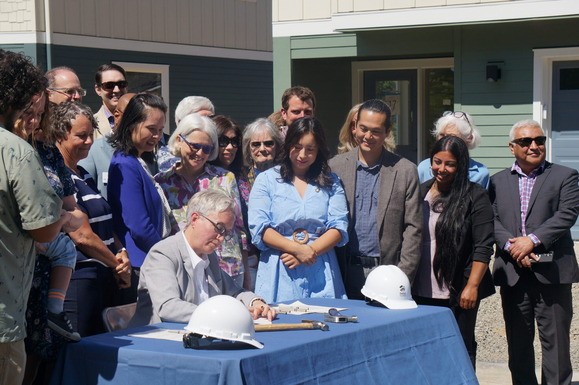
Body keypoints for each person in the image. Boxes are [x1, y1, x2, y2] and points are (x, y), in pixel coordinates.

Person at [490, 119, 579, 385]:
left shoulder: (565, 176)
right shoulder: (496, 181)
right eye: (525, 141)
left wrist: (531, 241)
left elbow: (567, 214)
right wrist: (512, 246)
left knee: (557, 345)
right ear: (512, 147)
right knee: (518, 345)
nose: (533, 146)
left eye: (539, 140)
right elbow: (491, 219)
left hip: (553, 271)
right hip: (513, 273)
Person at [0, 48, 66, 385]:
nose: (35, 123)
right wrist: (63, 217)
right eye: (30, 112)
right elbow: (43, 231)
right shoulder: (15, 151)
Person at [130, 189, 275, 327]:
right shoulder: (162, 254)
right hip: (158, 341)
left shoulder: (208, 256)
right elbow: (168, 307)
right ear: (194, 219)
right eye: (219, 228)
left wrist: (255, 302)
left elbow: (235, 292)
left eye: (226, 232)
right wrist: (221, 315)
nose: (221, 238)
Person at [412, 135, 495, 368]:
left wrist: (472, 286)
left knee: (460, 349)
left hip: (458, 290)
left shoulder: (475, 195)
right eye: (437, 162)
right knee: (426, 348)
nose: (442, 169)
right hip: (421, 289)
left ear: (461, 165)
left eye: (450, 164)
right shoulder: (421, 192)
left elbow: (483, 246)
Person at [51, 101, 131, 336]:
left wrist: (121, 252)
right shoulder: (58, 177)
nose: (88, 141)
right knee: (81, 352)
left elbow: (103, 222)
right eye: (80, 136)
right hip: (79, 282)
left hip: (104, 275)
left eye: (90, 135)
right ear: (59, 135)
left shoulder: (82, 174)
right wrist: (118, 266)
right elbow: (82, 236)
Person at [329, 99, 422, 299]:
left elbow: (413, 229)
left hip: (388, 273)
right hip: (345, 271)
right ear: (354, 128)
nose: (368, 136)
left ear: (388, 131)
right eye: (363, 128)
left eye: (376, 131)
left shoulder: (405, 171)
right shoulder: (335, 167)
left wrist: (402, 276)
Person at [249, 117, 348, 303]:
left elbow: (338, 227)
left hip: (320, 266)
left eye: (310, 149)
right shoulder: (267, 180)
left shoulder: (332, 182)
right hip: (279, 265)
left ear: (319, 150)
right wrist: (296, 249)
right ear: (287, 146)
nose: (302, 155)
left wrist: (309, 251)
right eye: (297, 147)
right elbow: (260, 228)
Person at [155, 114, 250, 288]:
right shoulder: (162, 182)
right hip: (184, 270)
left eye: (207, 149)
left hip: (227, 269)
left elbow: (239, 229)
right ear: (179, 140)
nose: (200, 153)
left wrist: (247, 274)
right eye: (195, 146)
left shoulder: (225, 178)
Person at [107, 93, 173, 300]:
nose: (157, 136)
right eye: (151, 129)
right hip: (140, 265)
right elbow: (139, 226)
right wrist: (168, 256)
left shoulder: (137, 161)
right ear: (130, 125)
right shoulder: (124, 163)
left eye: (161, 131)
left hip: (147, 260)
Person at [239, 118, 284, 288]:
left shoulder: (289, 176)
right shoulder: (240, 179)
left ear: (277, 146)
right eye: (255, 144)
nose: (262, 149)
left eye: (268, 143)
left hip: (283, 254)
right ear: (248, 148)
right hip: (251, 259)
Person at [78, 92, 136, 199]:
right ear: (117, 116)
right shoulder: (93, 150)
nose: (138, 125)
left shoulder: (148, 152)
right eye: (133, 119)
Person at [417, 111, 489, 188]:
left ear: (468, 139)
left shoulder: (480, 173)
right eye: (441, 135)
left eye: (451, 136)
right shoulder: (424, 167)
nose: (444, 140)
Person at [157, 95, 216, 172]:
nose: (207, 124)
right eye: (199, 119)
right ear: (181, 123)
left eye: (211, 119)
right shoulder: (167, 159)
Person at [93, 63, 128, 139]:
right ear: (98, 90)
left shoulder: (140, 121)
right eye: (109, 85)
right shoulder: (90, 125)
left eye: (121, 84)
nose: (116, 90)